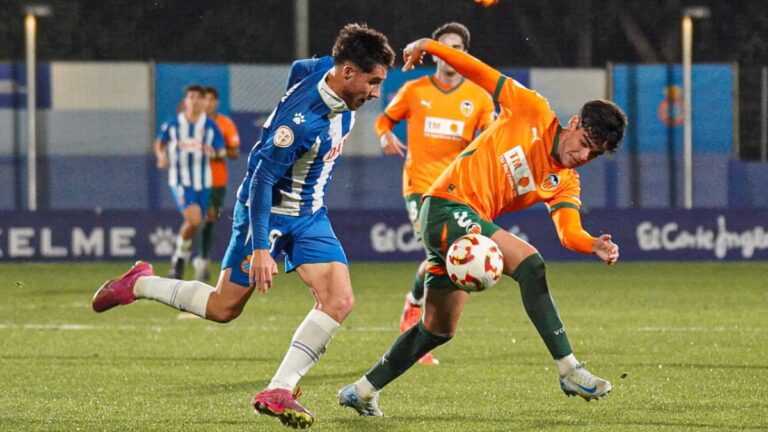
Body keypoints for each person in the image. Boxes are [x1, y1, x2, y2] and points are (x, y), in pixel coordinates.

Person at [92, 23, 395, 429]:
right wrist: (261, 249)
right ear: (347, 73)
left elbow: (298, 65)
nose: (375, 92)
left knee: (339, 300)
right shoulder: (301, 125)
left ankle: (278, 389)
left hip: (309, 214)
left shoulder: (322, 68)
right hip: (265, 211)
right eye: (372, 82)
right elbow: (260, 183)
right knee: (223, 308)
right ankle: (141, 283)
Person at [339, 37, 627, 416]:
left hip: (465, 228)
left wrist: (591, 244)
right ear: (574, 123)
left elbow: (567, 230)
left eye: (595, 154)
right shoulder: (532, 109)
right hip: (446, 205)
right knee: (531, 264)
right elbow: (479, 72)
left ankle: (362, 390)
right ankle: (569, 368)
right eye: (585, 142)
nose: (584, 155)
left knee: (438, 330)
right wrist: (431, 46)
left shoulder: (565, 181)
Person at [376, 22, 495, 366]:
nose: (450, 54)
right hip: (420, 185)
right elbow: (384, 120)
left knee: (442, 257)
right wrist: (384, 135)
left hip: (458, 188)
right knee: (436, 250)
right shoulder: (415, 90)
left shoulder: (478, 97)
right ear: (434, 53)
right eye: (443, 47)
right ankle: (416, 317)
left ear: (465, 54)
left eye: (456, 47)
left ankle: (416, 310)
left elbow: (490, 138)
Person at [155, 84, 225, 279]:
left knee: (194, 223)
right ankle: (179, 259)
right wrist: (161, 156)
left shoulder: (210, 126)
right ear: (185, 101)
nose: (194, 101)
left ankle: (179, 259)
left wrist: (214, 153)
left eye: (197, 97)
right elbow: (160, 141)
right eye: (190, 97)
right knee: (194, 220)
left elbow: (221, 150)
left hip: (203, 182)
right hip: (180, 179)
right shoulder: (174, 123)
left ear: (203, 102)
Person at [193, 86, 241, 281]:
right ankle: (198, 259)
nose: (208, 103)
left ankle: (202, 258)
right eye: (205, 100)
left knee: (210, 218)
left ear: (216, 102)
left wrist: (216, 153)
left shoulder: (224, 123)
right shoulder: (192, 123)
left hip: (217, 180)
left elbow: (235, 151)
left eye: (212, 100)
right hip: (195, 179)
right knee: (198, 218)